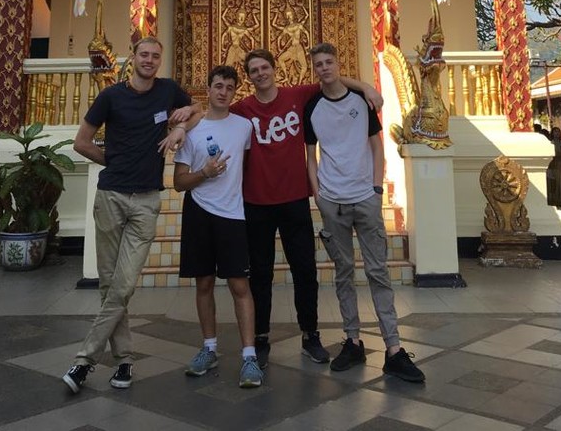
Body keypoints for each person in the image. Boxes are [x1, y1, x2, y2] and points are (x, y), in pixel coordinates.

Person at [230, 46, 382, 369]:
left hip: (294, 198)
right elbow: (215, 112)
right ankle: (259, 337)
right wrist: (186, 118)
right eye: (254, 70)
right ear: (249, 76)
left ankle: (310, 334)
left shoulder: (297, 97)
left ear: (274, 70)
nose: (260, 74)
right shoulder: (243, 108)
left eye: (264, 68)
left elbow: (334, 80)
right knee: (260, 273)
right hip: (255, 201)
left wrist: (367, 87)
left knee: (304, 270)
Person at [62, 36, 195, 394]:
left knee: (124, 283)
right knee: (110, 286)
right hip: (112, 196)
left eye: (155, 56)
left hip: (147, 200)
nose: (149, 60)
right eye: (144, 55)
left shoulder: (168, 91)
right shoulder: (111, 96)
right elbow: (81, 141)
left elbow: (197, 109)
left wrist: (181, 125)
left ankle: (84, 361)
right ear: (132, 58)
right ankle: (124, 361)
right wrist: (115, 161)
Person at [304, 42, 425, 383]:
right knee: (343, 272)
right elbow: (309, 153)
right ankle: (353, 340)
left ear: (338, 63)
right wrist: (317, 193)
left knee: (377, 272)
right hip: (332, 199)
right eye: (318, 64)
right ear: (313, 69)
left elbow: (376, 144)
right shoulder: (312, 105)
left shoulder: (362, 100)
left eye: (329, 62)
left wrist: (376, 188)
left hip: (364, 197)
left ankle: (394, 348)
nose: (324, 68)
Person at [173, 65, 263, 389]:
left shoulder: (244, 127)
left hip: (233, 215)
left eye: (229, 87)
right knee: (204, 284)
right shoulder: (190, 132)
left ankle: (249, 357)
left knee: (240, 285)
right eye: (218, 86)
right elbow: (178, 182)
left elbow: (250, 164)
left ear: (234, 92)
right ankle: (209, 348)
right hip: (199, 212)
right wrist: (205, 174)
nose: (223, 91)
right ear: (208, 90)